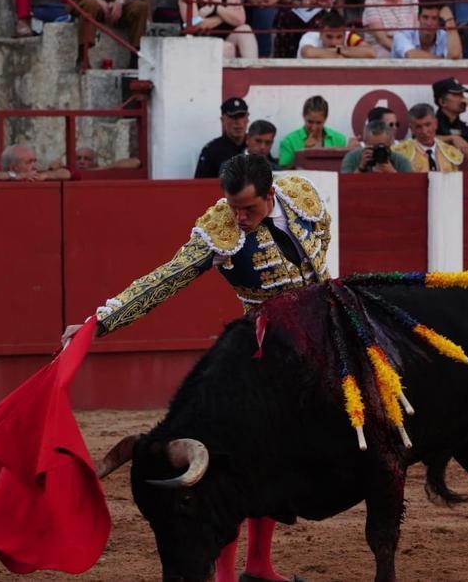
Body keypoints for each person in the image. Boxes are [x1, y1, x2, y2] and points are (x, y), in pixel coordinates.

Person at [93, 154, 331, 582]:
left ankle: (259, 565)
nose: (238, 217)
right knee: (238, 464)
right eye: (233, 207)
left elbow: (319, 260)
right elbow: (166, 278)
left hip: (320, 340)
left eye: (249, 209)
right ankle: (225, 574)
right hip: (260, 353)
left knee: (280, 459)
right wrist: (102, 322)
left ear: (270, 194)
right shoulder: (218, 233)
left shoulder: (302, 198)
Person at [277, 95, 357, 167]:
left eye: (318, 123)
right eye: (310, 122)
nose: (314, 127)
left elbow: (344, 168)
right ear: (303, 116)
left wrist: (350, 152)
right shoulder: (289, 141)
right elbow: (284, 170)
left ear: (325, 119)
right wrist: (303, 153)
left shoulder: (339, 139)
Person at [392, 103, 466, 171]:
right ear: (412, 129)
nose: (424, 131)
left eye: (428, 125)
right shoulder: (400, 153)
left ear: (436, 124)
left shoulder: (450, 152)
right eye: (418, 127)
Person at [195, 96, 250, 178]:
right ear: (222, 120)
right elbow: (200, 185)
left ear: (247, 119)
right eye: (233, 117)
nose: (238, 122)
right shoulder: (212, 150)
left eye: (241, 116)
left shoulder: (255, 144)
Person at [391, 0, 463, 58]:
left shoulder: (444, 36)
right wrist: (444, 62)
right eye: (425, 17)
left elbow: (455, 55)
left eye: (434, 18)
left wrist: (450, 21)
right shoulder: (402, 35)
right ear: (418, 18)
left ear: (440, 21)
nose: (429, 23)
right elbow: (412, 55)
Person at [340, 118, 414, 172]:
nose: (378, 150)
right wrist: (361, 167)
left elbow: (410, 189)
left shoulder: (400, 161)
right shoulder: (353, 157)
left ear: (391, 143)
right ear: (365, 143)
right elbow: (344, 186)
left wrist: (392, 172)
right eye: (373, 147)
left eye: (382, 146)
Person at [298, 10, 378, 58]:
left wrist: (339, 50)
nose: (334, 42)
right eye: (329, 37)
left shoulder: (348, 35)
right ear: (320, 34)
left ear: (344, 34)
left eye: (339, 37)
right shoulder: (310, 36)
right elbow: (308, 53)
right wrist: (342, 56)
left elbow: (371, 52)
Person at [0, 145, 75, 181]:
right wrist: (18, 176)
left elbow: (73, 174)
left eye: (34, 161)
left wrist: (46, 174)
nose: (34, 165)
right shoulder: (4, 178)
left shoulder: (38, 176)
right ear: (13, 167)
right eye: (29, 162)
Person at [73, 146, 143, 169]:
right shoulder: (68, 172)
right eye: (78, 158)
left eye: (87, 159)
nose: (81, 162)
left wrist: (102, 169)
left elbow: (136, 162)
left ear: (95, 163)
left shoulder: (101, 171)